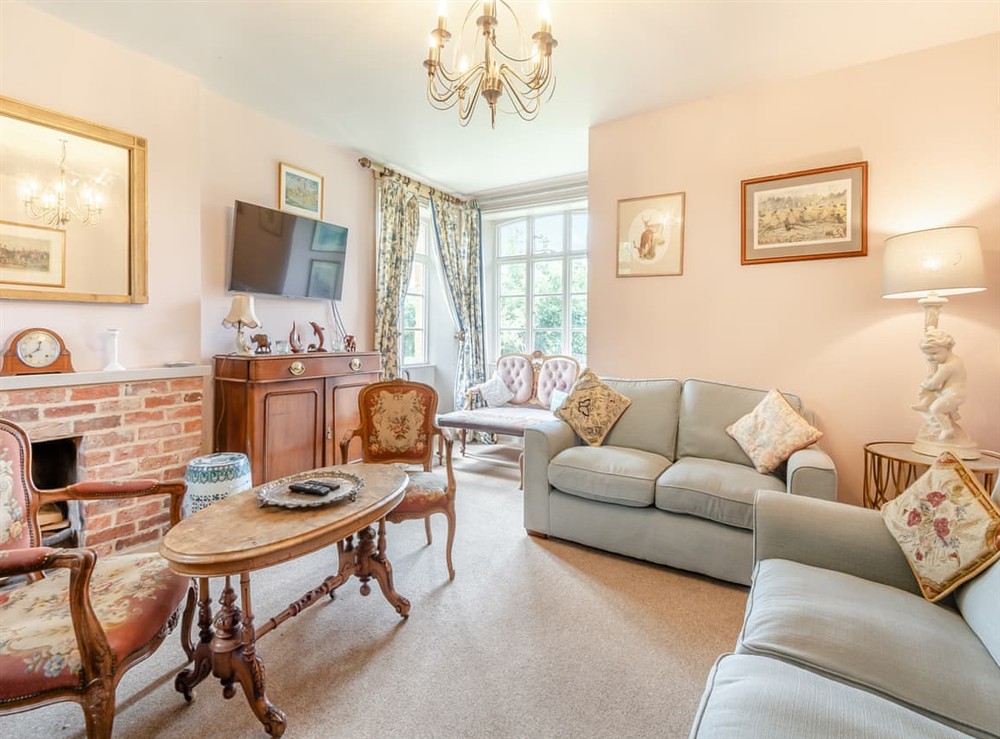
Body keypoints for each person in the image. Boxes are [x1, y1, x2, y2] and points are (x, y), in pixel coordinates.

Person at [911, 328, 967, 441]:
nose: (930, 357)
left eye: (934, 353)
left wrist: (925, 384)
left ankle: (947, 430)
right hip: (948, 392)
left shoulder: (947, 367)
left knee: (935, 408)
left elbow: (933, 384)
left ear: (948, 348)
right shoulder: (956, 360)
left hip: (954, 395)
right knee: (934, 394)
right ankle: (924, 405)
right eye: (927, 354)